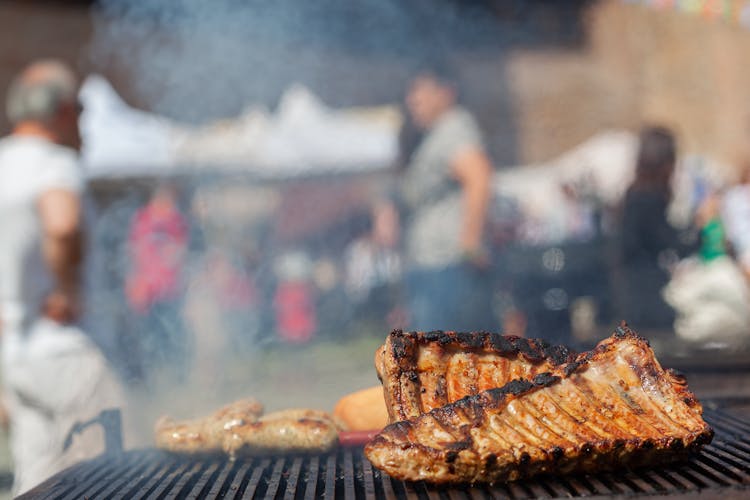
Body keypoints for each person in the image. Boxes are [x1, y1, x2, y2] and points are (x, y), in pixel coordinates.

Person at [0, 60, 124, 495]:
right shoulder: (54, 163)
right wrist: (65, 288)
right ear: (63, 111)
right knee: (107, 480)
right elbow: (62, 224)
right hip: (68, 352)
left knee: (36, 481)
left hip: (17, 356)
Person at [397, 63, 495, 331]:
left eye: (420, 90)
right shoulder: (435, 135)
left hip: (450, 265)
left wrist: (470, 242)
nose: (412, 99)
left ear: (446, 93)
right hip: (435, 264)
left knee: (445, 358)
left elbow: (479, 177)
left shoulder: (454, 128)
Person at [619, 126, 698, 330]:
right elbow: (669, 242)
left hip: (635, 291)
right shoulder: (647, 197)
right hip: (644, 296)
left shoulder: (635, 193)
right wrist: (700, 229)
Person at [126, 183, 189, 383]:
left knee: (170, 337)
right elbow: (134, 252)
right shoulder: (143, 219)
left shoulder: (175, 221)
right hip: (147, 291)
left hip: (169, 290)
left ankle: (172, 376)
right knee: (146, 338)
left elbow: (180, 251)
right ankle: (147, 376)